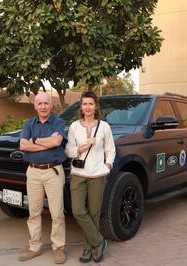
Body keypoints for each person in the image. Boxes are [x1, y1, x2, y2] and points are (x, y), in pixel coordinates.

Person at [65, 91, 116, 263]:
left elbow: (110, 149)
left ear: (96, 106)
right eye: (84, 104)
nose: (87, 107)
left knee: (94, 212)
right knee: (78, 210)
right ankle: (99, 241)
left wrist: (108, 165)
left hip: (97, 174)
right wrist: (82, 148)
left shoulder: (104, 127)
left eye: (91, 104)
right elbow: (68, 151)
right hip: (79, 174)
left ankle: (88, 248)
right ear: (81, 106)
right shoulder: (74, 127)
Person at [18, 92, 67, 264]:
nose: (43, 106)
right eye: (40, 104)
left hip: (53, 171)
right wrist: (45, 143)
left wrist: (35, 141)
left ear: (51, 105)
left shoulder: (58, 122)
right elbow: (23, 145)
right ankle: (34, 247)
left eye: (46, 103)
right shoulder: (29, 123)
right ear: (35, 106)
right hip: (33, 172)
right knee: (34, 213)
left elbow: (56, 142)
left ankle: (59, 248)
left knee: (57, 214)